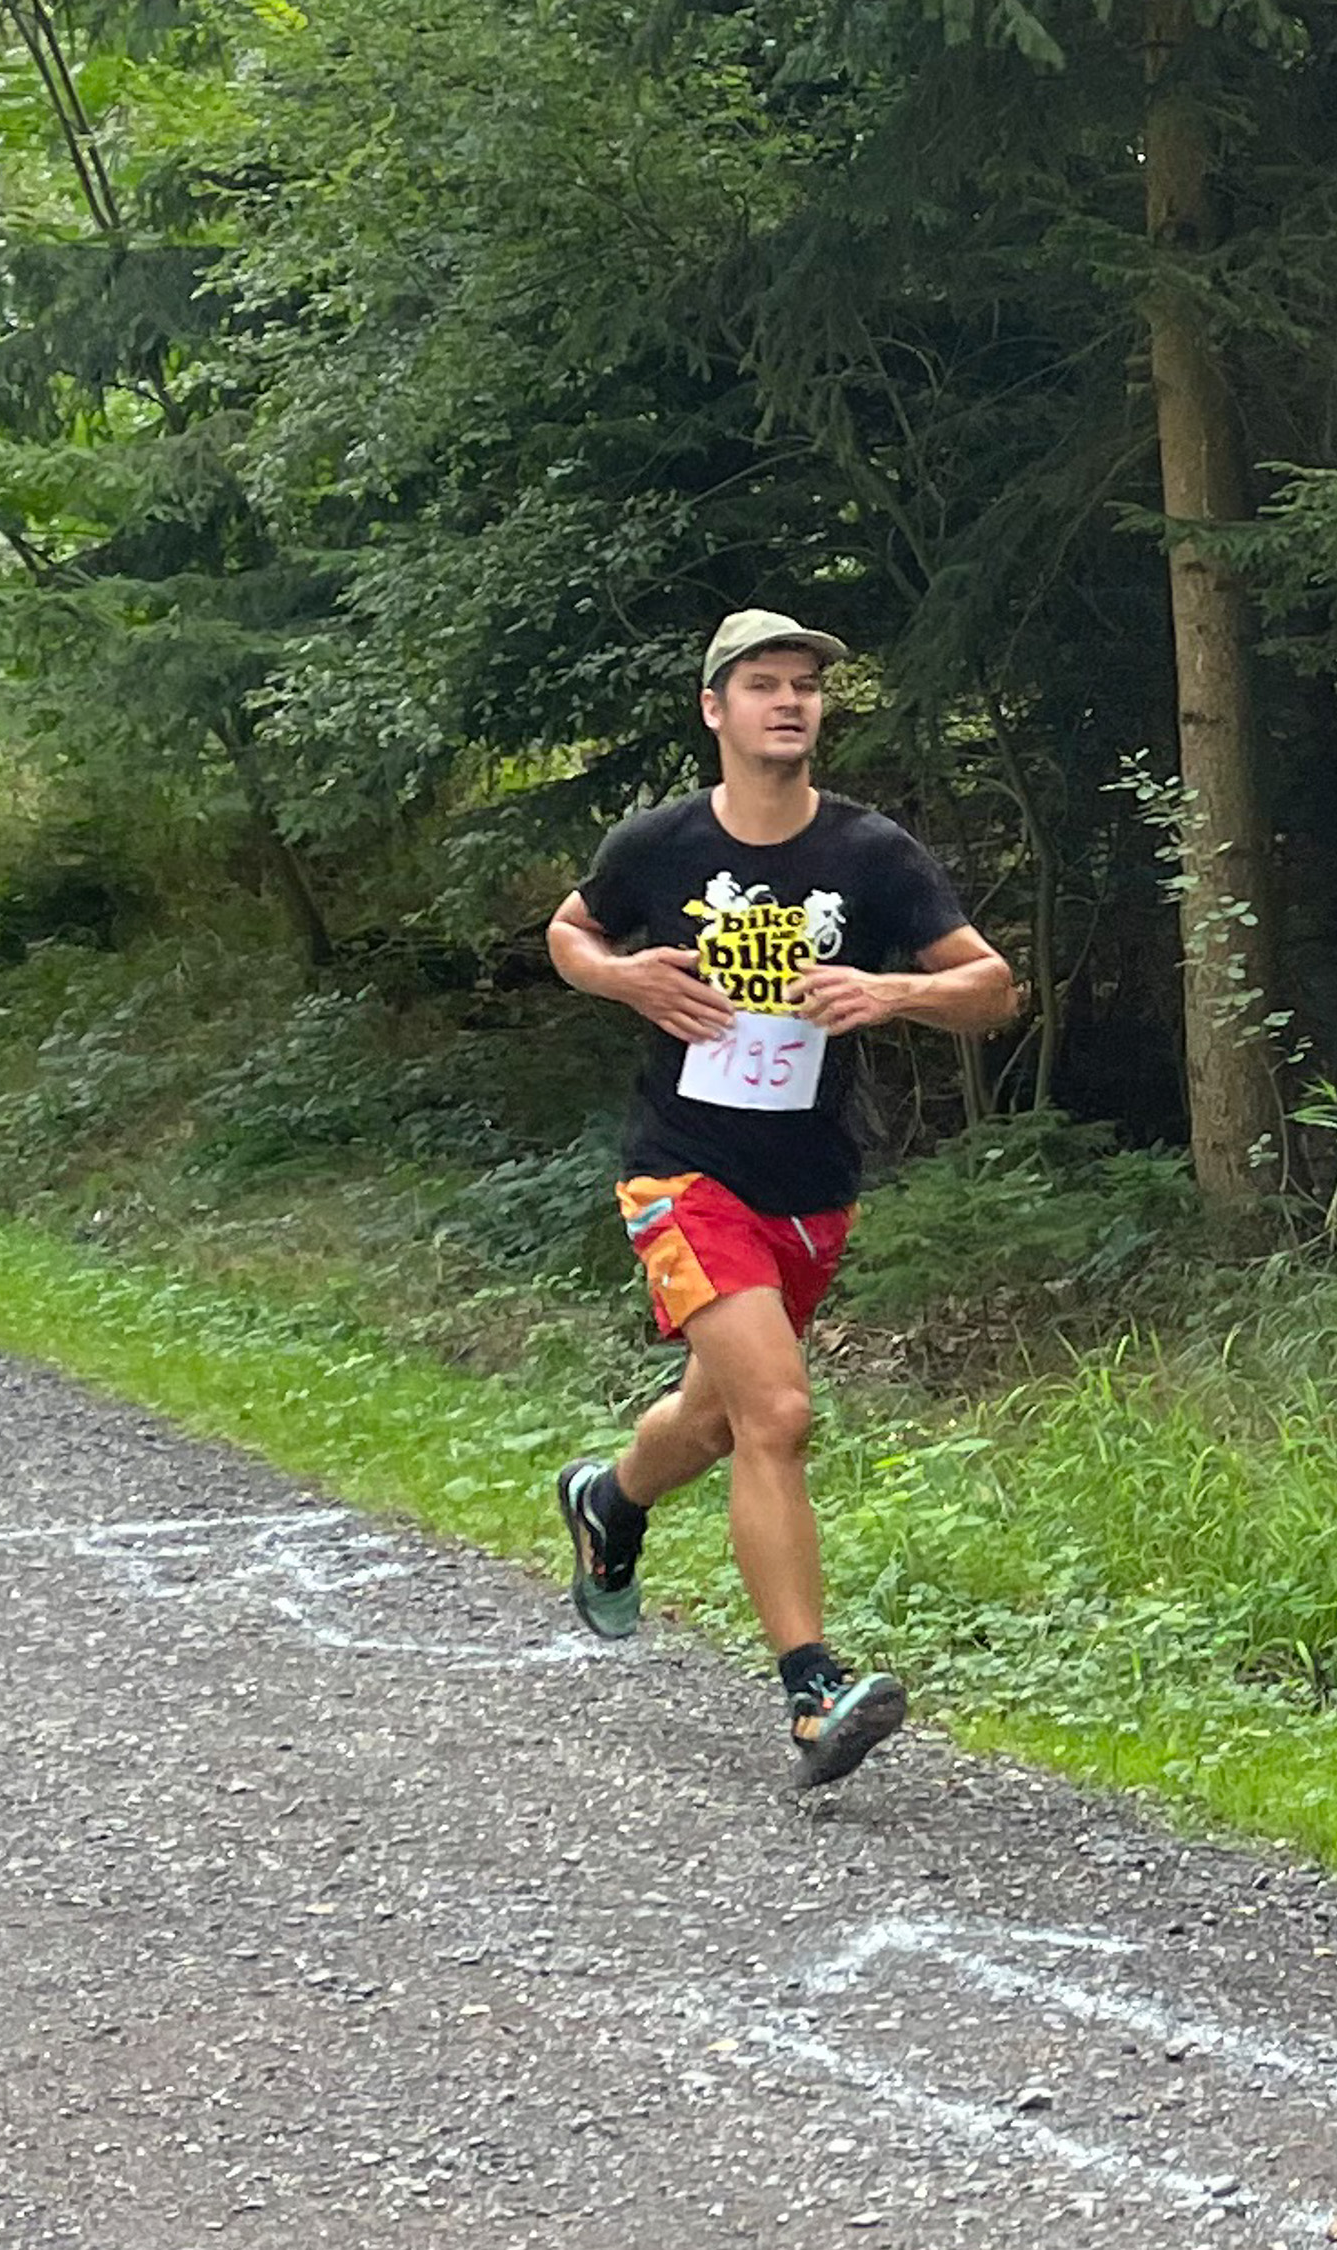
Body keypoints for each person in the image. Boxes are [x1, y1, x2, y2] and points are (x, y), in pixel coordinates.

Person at [545, 608, 1017, 1783]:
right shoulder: (658, 845)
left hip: (810, 1185)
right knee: (780, 1414)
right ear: (716, 708)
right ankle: (813, 1690)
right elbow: (568, 932)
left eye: (806, 684)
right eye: (764, 683)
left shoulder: (870, 855)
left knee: (714, 1423)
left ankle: (610, 1500)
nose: (791, 701)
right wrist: (622, 977)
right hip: (680, 1171)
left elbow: (992, 988)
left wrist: (892, 995)